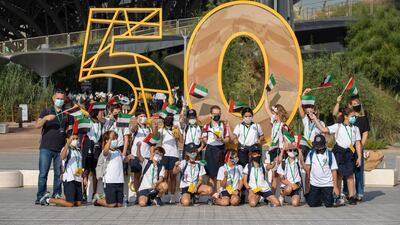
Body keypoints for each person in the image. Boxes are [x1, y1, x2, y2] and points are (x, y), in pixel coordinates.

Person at [311, 107, 362, 205]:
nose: (354, 118)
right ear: (346, 117)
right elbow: (323, 129)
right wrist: (315, 119)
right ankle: (337, 195)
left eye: (354, 116)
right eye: (352, 116)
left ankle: (351, 196)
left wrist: (359, 157)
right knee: (339, 175)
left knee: (350, 175)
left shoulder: (356, 129)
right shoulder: (338, 126)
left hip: (349, 153)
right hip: (339, 152)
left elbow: (358, 143)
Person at [35, 89, 74, 204]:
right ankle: (40, 196)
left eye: (62, 99)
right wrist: (46, 118)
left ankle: (56, 194)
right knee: (43, 173)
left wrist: (69, 133)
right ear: (53, 98)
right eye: (58, 98)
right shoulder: (46, 111)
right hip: (46, 147)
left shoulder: (67, 114)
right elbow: (37, 125)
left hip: (60, 149)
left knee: (58, 173)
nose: (60, 101)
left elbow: (70, 132)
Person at [334, 94, 370, 201]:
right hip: (347, 149)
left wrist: (360, 147)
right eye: (354, 104)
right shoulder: (347, 117)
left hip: (357, 148)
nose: (356, 106)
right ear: (350, 105)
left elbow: (365, 133)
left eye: (358, 104)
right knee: (347, 171)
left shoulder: (363, 119)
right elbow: (335, 113)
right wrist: (338, 102)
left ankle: (359, 193)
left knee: (358, 171)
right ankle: (345, 192)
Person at [40, 132, 83, 207]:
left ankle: (65, 199)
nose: (75, 140)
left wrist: (83, 175)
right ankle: (48, 199)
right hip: (69, 178)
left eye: (76, 139)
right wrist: (67, 144)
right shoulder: (66, 149)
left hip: (77, 177)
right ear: (67, 139)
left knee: (78, 203)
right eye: (73, 139)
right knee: (70, 204)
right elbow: (62, 157)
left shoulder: (78, 150)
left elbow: (79, 164)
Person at [232, 107, 264, 203]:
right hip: (242, 150)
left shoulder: (257, 126)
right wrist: (235, 140)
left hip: (252, 150)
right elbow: (234, 136)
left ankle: (254, 194)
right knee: (243, 172)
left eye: (250, 116)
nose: (248, 118)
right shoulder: (239, 126)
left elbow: (262, 135)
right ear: (243, 117)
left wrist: (259, 140)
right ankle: (242, 194)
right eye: (246, 116)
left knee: (252, 170)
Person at [298, 89, 325, 195]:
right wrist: (304, 95)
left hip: (315, 148)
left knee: (315, 172)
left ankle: (316, 192)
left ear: (315, 111)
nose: (309, 113)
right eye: (307, 112)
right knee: (307, 171)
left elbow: (324, 135)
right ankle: (307, 192)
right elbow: (299, 107)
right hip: (306, 147)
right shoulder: (306, 121)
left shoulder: (320, 122)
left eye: (311, 111)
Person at [94, 131, 128, 207]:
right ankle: (98, 201)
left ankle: (107, 198)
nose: (115, 141)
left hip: (119, 181)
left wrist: (128, 158)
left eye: (115, 139)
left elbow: (123, 160)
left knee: (119, 204)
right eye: (113, 139)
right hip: (110, 181)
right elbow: (105, 152)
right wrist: (110, 138)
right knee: (112, 205)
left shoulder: (118, 151)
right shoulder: (106, 151)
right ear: (107, 140)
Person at [264, 92, 289, 195]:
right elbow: (266, 107)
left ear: (279, 114)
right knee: (274, 174)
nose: (273, 115)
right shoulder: (274, 122)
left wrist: (281, 155)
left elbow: (286, 142)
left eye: (274, 113)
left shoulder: (284, 126)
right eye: (273, 113)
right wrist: (266, 94)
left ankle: (283, 195)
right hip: (273, 149)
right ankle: (272, 196)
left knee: (281, 175)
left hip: (280, 150)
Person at [304, 134, 339, 207]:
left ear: (324, 144)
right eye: (316, 145)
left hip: (327, 184)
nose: (317, 147)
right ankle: (320, 198)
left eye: (319, 145)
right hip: (315, 184)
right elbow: (308, 170)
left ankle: (332, 198)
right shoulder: (311, 153)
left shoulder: (330, 154)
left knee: (329, 204)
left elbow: (334, 171)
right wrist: (307, 187)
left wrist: (335, 187)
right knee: (312, 204)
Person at [202, 105, 230, 192]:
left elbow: (228, 139)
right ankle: (211, 195)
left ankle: (218, 194)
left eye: (218, 114)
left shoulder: (224, 126)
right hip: (210, 150)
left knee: (220, 174)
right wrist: (205, 140)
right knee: (211, 174)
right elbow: (204, 139)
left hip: (221, 150)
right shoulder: (206, 126)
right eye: (215, 114)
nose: (217, 115)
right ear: (211, 114)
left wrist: (221, 139)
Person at [157, 113, 181, 204]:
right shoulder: (162, 130)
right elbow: (157, 137)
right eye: (167, 118)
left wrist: (178, 130)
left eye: (170, 118)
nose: (169, 119)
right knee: (164, 175)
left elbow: (181, 141)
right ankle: (164, 195)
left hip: (174, 154)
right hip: (164, 155)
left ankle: (172, 196)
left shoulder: (175, 129)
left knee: (173, 176)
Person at [82, 109, 104, 200]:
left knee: (95, 172)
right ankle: (83, 193)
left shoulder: (100, 124)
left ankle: (94, 193)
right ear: (95, 114)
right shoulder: (88, 122)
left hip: (96, 150)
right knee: (85, 171)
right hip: (88, 150)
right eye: (101, 113)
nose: (102, 115)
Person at [130, 109, 152, 193]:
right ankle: (137, 195)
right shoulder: (136, 127)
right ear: (137, 118)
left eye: (144, 116)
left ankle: (145, 194)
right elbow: (132, 130)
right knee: (137, 175)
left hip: (146, 155)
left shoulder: (148, 128)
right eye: (141, 116)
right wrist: (137, 122)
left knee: (146, 176)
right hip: (136, 155)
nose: (143, 118)